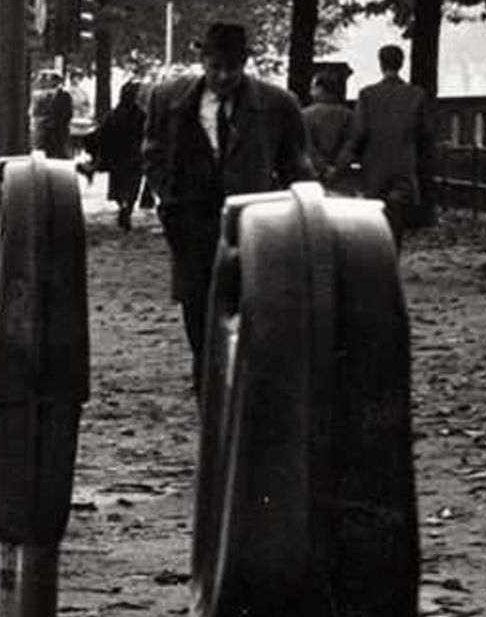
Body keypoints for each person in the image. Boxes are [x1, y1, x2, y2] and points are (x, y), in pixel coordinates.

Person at [142, 20, 311, 392]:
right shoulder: (167, 98)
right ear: (201, 59)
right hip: (189, 227)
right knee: (198, 316)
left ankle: (242, 392)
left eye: (231, 68)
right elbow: (152, 152)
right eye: (215, 66)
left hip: (253, 226)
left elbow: (296, 166)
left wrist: (306, 215)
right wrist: (167, 195)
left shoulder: (277, 104)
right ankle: (210, 393)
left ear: (245, 62)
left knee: (251, 312)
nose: (222, 76)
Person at [345, 43, 437, 249]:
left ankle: (378, 257)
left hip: (375, 165)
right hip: (404, 163)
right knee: (397, 215)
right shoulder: (417, 94)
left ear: (381, 64)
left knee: (376, 215)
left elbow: (359, 132)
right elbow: (425, 134)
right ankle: (394, 254)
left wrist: (351, 159)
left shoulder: (367, 94)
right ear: (402, 64)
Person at [91, 78, 145, 229]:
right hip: (134, 156)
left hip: (118, 157)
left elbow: (103, 135)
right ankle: (128, 208)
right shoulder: (140, 115)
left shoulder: (114, 114)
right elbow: (146, 133)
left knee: (119, 186)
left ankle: (122, 205)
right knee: (133, 186)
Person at [301, 72, 353, 191]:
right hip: (340, 177)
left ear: (320, 89)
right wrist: (338, 167)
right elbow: (350, 144)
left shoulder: (304, 115)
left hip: (313, 175)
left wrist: (322, 167)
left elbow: (307, 146)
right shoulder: (348, 116)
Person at [30, 68, 74, 159]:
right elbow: (35, 113)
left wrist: (53, 122)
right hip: (43, 133)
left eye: (50, 80)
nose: (46, 82)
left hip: (59, 133)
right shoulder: (39, 96)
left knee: (60, 156)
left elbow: (67, 114)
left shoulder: (64, 95)